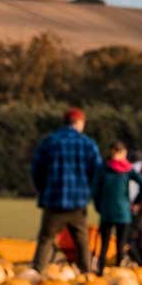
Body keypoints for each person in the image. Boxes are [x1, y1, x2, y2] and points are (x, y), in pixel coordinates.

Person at [29, 107, 103, 273]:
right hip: (78, 202)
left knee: (46, 240)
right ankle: (86, 274)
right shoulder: (88, 144)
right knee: (82, 241)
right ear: (78, 123)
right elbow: (97, 172)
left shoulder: (49, 142)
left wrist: (43, 189)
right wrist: (89, 191)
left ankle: (37, 273)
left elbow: (36, 169)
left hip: (53, 201)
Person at [91, 141, 142, 268]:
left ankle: (100, 270)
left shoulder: (103, 168)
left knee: (104, 244)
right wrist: (137, 201)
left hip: (106, 212)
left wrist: (99, 206)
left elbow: (95, 190)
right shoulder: (128, 169)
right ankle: (118, 270)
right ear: (123, 153)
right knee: (120, 245)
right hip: (123, 212)